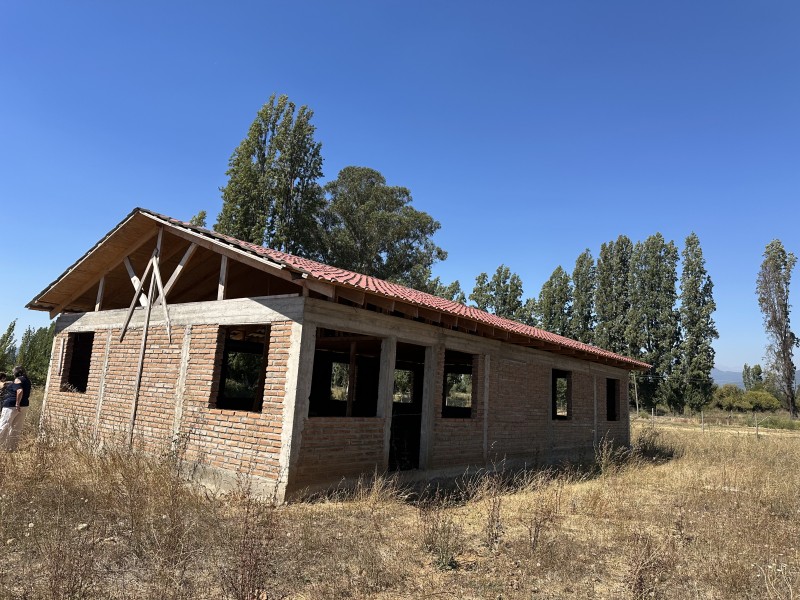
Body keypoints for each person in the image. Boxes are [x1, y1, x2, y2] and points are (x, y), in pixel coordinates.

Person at [0, 366, 31, 451]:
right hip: (24, 405)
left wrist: (17, 403)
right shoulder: (27, 380)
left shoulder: (18, 380)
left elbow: (19, 390)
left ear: (16, 372)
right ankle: (11, 448)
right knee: (16, 428)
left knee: (3, 425)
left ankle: (1, 446)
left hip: (12, 406)